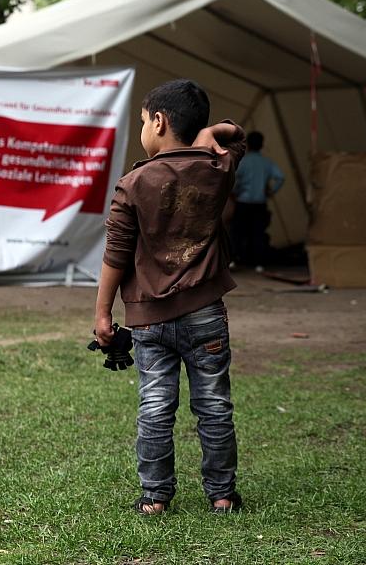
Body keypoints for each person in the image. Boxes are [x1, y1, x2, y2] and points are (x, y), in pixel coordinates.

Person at [94, 79, 246, 516]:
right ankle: (222, 495)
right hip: (206, 315)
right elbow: (237, 136)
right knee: (214, 405)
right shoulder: (217, 167)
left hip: (149, 320)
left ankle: (155, 499)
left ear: (159, 122)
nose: (142, 128)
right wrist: (213, 134)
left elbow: (116, 253)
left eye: (143, 121)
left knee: (156, 407)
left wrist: (103, 312)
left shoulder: (134, 182)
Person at [230, 131, 284, 271]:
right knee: (258, 232)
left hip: (243, 202)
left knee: (238, 231)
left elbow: (234, 179)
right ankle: (259, 263)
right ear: (262, 145)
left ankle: (234, 259)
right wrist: (271, 191)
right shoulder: (267, 162)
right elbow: (280, 177)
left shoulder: (244, 161)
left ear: (247, 144)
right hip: (260, 203)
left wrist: (235, 192)